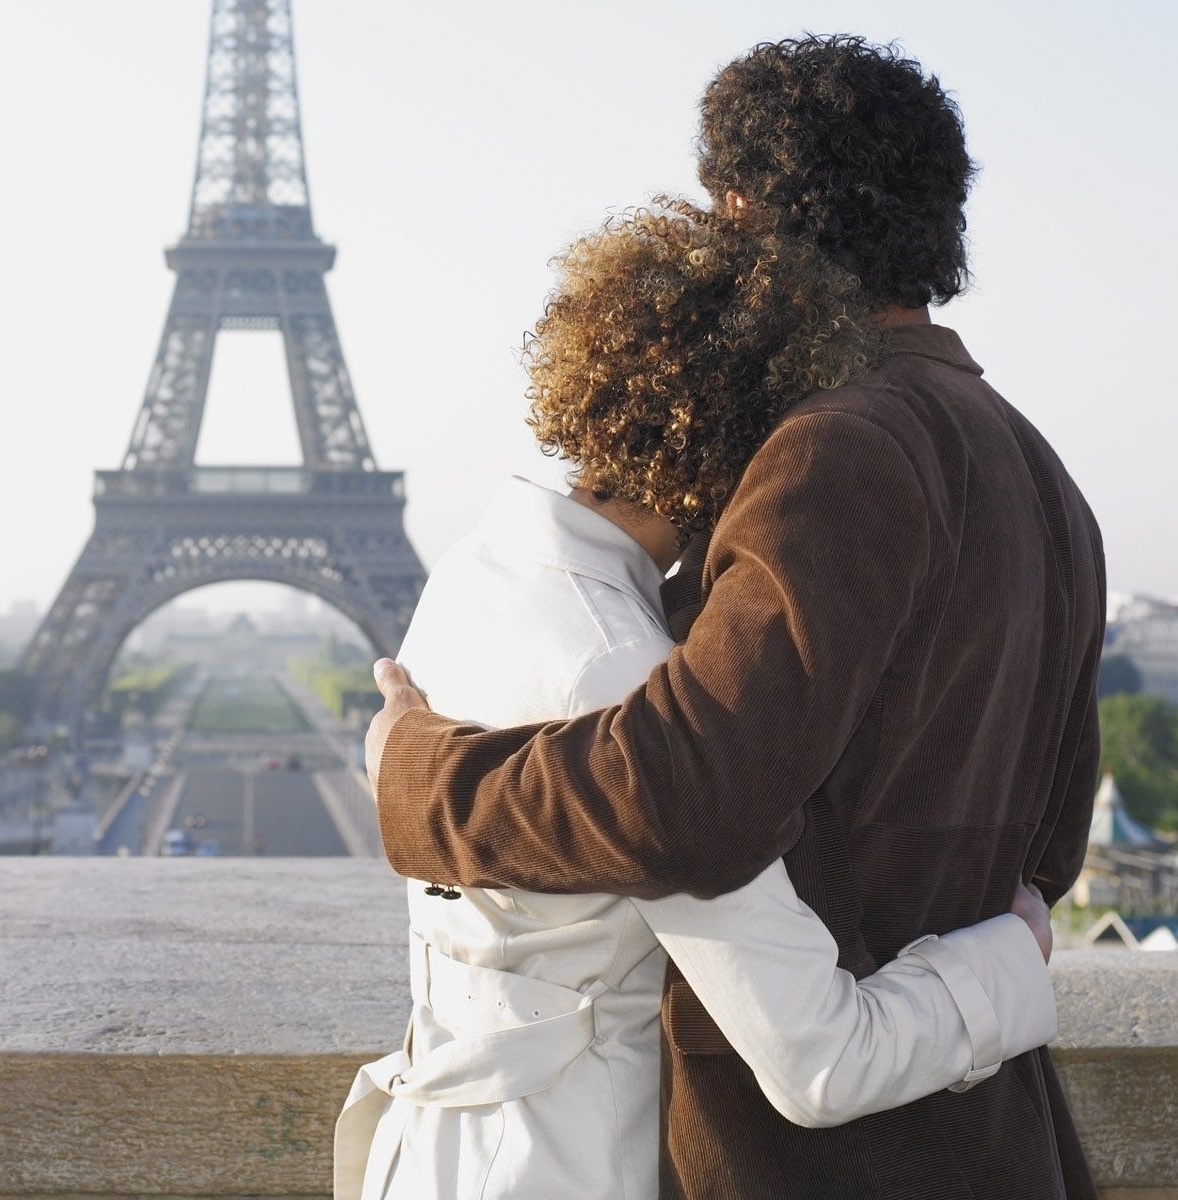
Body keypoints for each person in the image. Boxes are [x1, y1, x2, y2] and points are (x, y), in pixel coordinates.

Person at [364, 36, 1105, 1200]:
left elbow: (686, 798)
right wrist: (1003, 960)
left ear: (743, 211)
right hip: (987, 1136)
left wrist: (416, 777)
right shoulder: (1043, 473)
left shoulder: (835, 447)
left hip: (808, 1159)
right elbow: (1049, 848)